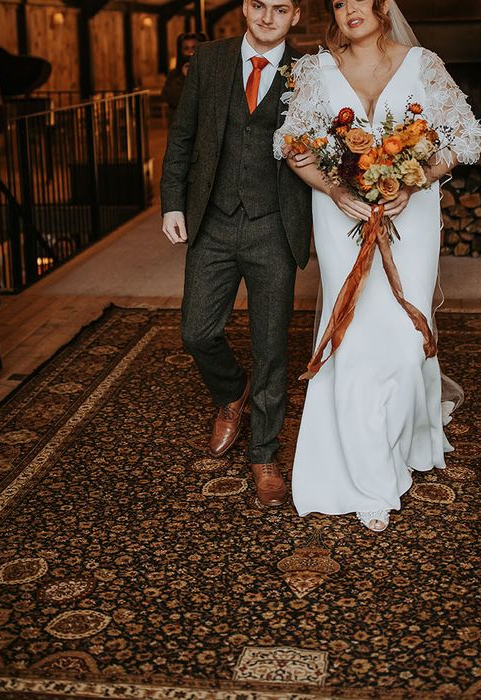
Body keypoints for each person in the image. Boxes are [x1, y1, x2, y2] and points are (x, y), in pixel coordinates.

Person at [275, 0, 481, 531]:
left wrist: (414, 181)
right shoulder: (315, 69)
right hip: (340, 211)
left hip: (409, 216)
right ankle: (368, 475)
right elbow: (293, 145)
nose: (349, 9)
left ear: (382, 5)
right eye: (339, 2)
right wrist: (333, 188)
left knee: (404, 338)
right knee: (353, 334)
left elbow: (466, 137)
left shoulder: (422, 64)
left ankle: (405, 432)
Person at [161, 1, 312, 506]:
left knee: (271, 347)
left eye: (280, 8)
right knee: (196, 331)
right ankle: (230, 392)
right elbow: (182, 135)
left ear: (295, 17)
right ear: (244, 7)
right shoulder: (209, 58)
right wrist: (171, 203)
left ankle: (264, 454)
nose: (266, 17)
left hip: (274, 225)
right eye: (257, 5)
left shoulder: (310, 70)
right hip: (214, 220)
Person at [161, 32, 207, 123]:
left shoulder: (209, 71)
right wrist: (183, 77)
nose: (190, 52)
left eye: (194, 48)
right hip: (180, 125)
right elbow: (171, 99)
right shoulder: (174, 74)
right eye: (186, 48)